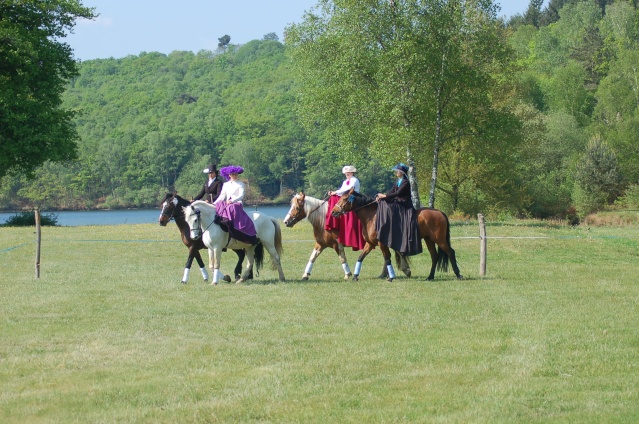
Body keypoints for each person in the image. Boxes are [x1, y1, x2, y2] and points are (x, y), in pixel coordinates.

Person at [375, 163, 422, 256]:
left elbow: (398, 193)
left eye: (398, 171)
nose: (396, 172)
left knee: (389, 207)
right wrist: (382, 197)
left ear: (402, 172)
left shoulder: (405, 182)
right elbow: (392, 191)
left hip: (404, 204)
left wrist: (384, 196)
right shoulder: (398, 180)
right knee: (384, 202)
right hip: (398, 201)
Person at [213, 165, 257, 245]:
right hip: (227, 203)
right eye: (233, 174)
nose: (235, 176)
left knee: (231, 208)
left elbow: (241, 196)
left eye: (236, 174)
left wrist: (232, 200)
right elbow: (222, 196)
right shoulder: (226, 184)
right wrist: (214, 204)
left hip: (236, 203)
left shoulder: (241, 184)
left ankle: (234, 228)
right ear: (229, 175)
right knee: (219, 205)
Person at [325, 165, 366, 251]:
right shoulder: (345, 181)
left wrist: (335, 192)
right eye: (346, 173)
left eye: (348, 172)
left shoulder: (354, 180)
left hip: (353, 198)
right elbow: (342, 192)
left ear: (352, 173)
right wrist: (333, 193)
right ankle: (333, 219)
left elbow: (347, 190)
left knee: (337, 199)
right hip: (346, 197)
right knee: (333, 198)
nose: (347, 174)